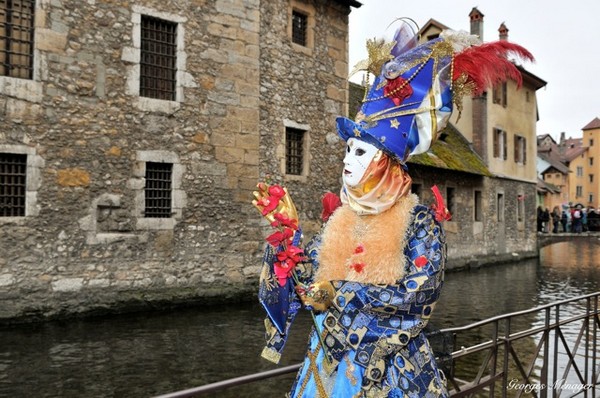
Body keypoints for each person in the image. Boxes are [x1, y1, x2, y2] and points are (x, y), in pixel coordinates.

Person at [254, 21, 533, 398]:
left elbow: (417, 296)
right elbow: (308, 287)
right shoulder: (342, 218)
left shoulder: (419, 223)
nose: (348, 161)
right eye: (348, 150)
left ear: (386, 162)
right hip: (327, 368)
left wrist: (337, 293)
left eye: (360, 152)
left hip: (391, 373)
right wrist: (288, 236)